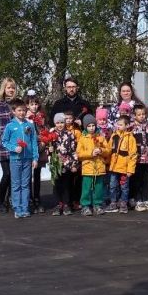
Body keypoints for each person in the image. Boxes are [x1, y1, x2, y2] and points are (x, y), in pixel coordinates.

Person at [50, 76, 91, 210]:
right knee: (61, 177)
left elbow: (91, 122)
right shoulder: (59, 104)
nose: (71, 89)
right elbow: (52, 122)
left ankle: (75, 199)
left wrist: (82, 123)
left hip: (79, 145)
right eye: (69, 87)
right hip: (61, 148)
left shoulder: (84, 104)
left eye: (73, 86)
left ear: (77, 87)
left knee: (77, 176)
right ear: (65, 88)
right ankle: (60, 201)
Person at [0, 98, 38, 219]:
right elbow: (4, 141)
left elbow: (33, 142)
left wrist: (35, 158)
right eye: (19, 110)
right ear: (14, 111)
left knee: (26, 184)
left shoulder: (29, 125)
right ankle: (17, 208)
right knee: (16, 184)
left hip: (27, 159)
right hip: (15, 159)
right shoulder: (10, 126)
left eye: (23, 110)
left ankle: (25, 207)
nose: (21, 113)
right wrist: (14, 148)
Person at [0, 78, 18, 213]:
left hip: (17, 145)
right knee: (6, 174)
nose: (11, 90)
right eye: (8, 88)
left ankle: (11, 198)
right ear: (4, 89)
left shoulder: (18, 104)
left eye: (13, 88)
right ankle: (1, 201)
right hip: (3, 145)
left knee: (14, 174)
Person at [76, 114, 110, 216]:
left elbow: (108, 150)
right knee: (86, 187)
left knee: (98, 187)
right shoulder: (82, 138)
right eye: (89, 126)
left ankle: (97, 204)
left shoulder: (101, 137)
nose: (91, 128)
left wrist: (101, 150)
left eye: (93, 125)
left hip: (99, 167)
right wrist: (90, 153)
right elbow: (79, 154)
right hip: (87, 167)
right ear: (85, 127)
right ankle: (85, 205)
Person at [106, 115, 137, 213]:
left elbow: (133, 155)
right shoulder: (114, 136)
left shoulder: (130, 138)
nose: (118, 126)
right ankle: (113, 203)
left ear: (127, 125)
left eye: (121, 125)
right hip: (114, 167)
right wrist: (106, 162)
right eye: (117, 124)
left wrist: (130, 169)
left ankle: (123, 203)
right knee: (112, 185)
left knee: (124, 186)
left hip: (124, 167)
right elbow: (109, 150)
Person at [50, 112, 79, 216]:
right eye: (57, 123)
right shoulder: (52, 134)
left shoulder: (70, 134)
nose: (60, 125)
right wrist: (49, 149)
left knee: (67, 185)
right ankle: (57, 204)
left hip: (67, 164)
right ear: (55, 123)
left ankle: (67, 204)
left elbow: (74, 150)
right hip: (56, 164)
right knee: (57, 185)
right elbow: (48, 149)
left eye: (62, 122)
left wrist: (74, 164)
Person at [26, 90, 48, 213]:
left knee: (38, 175)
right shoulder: (25, 117)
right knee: (28, 175)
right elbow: (27, 134)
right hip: (29, 150)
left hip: (40, 149)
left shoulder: (41, 117)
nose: (34, 106)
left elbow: (46, 130)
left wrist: (45, 140)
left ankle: (37, 199)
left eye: (36, 104)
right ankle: (29, 199)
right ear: (27, 105)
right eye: (31, 104)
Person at [130, 105, 148, 211]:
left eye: (143, 114)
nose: (141, 116)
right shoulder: (131, 128)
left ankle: (146, 199)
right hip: (137, 160)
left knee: (146, 180)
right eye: (139, 114)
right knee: (137, 180)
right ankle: (138, 200)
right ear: (134, 116)